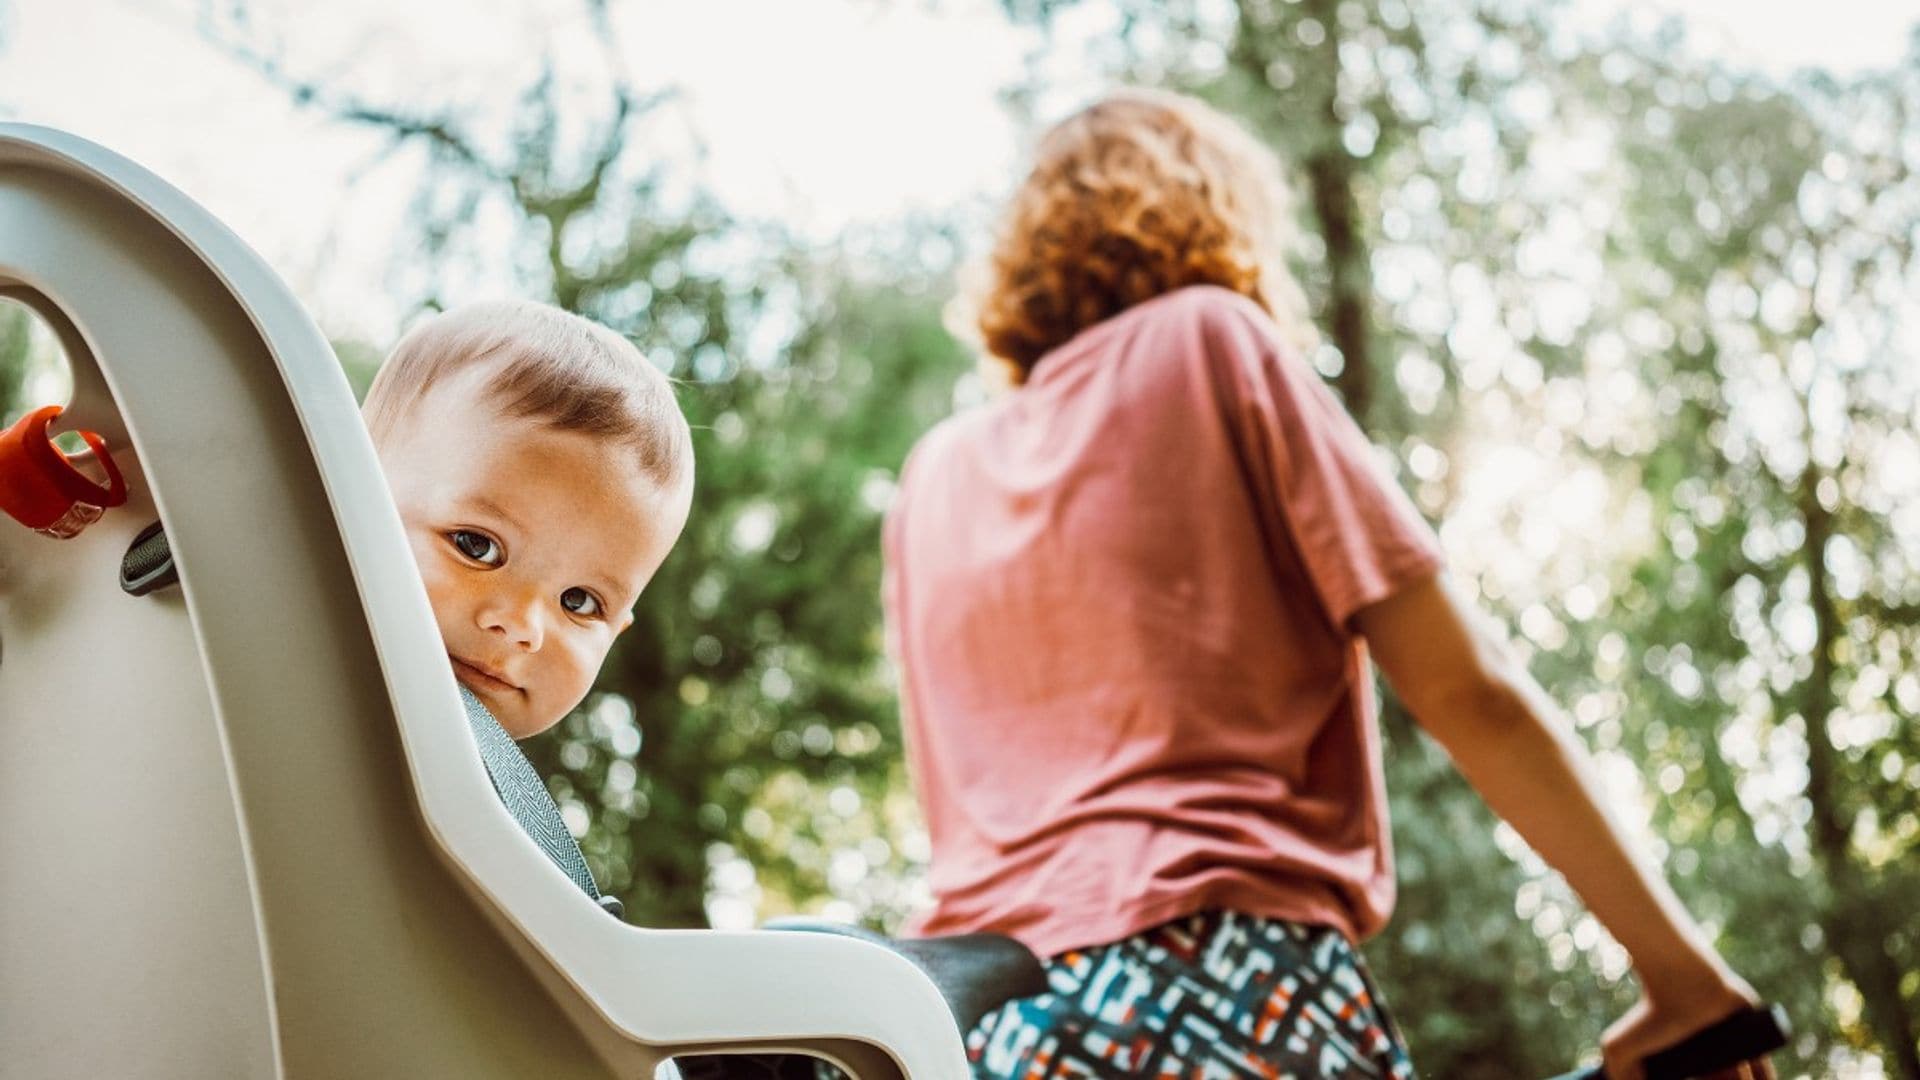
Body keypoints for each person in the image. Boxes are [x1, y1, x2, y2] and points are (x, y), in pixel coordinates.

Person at [881, 88, 1773, 1078]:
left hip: (974, 1029)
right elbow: (1465, 687)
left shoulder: (933, 475)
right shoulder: (1211, 340)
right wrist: (1684, 980)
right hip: (1218, 976)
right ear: (1205, 209)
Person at [363, 299, 694, 739]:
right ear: (346, 495)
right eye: (476, 546)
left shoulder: (497, 805)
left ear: (617, 632)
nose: (522, 626)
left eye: (579, 602)